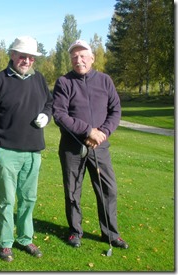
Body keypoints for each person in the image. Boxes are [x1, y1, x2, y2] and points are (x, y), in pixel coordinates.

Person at [0, 36, 53, 262]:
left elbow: (49, 103)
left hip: (33, 151)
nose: (27, 60)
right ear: (12, 55)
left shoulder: (39, 79)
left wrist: (46, 116)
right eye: (23, 56)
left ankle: (25, 238)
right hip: (6, 152)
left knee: (29, 198)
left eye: (31, 57)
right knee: (7, 201)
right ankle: (6, 242)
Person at [52, 39, 129, 249]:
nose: (79, 60)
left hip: (100, 147)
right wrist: (88, 131)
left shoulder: (105, 80)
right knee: (72, 191)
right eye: (75, 57)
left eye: (83, 55)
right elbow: (59, 114)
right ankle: (75, 231)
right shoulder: (64, 82)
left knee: (108, 190)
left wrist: (102, 133)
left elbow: (115, 111)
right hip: (72, 148)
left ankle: (111, 233)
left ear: (92, 58)